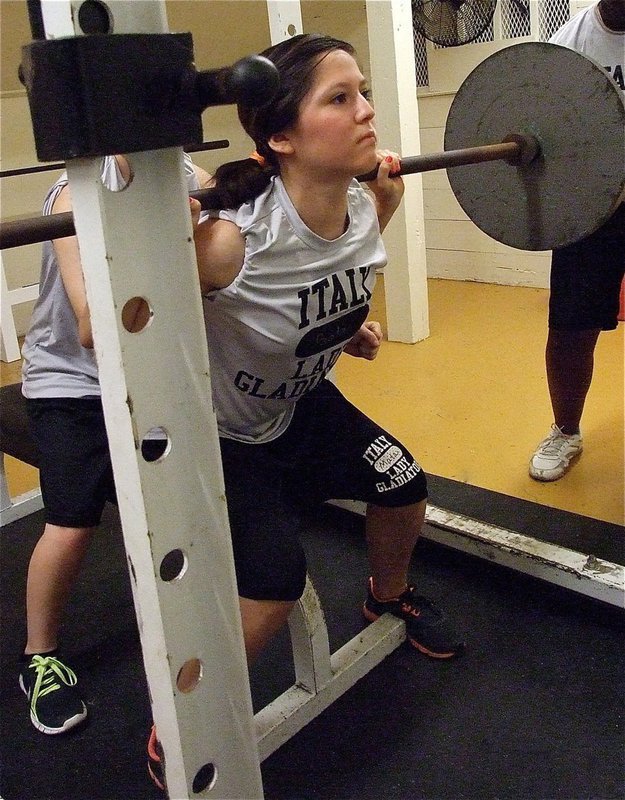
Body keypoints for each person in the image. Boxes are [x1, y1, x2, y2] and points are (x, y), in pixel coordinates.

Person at [148, 31, 464, 790]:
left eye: (362, 92)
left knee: (403, 486)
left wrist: (341, 327)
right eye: (340, 98)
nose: (366, 112)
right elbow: (144, 333)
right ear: (281, 137)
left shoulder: (371, 200)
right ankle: (178, 721)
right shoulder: (228, 245)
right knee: (271, 588)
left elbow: (331, 274)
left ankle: (385, 596)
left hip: (301, 403)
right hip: (224, 434)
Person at [18, 154, 212, 735]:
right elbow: (89, 327)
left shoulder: (183, 174)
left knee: (186, 498)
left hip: (149, 371)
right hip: (70, 383)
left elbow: (241, 222)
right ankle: (39, 656)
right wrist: (176, 236)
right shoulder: (73, 197)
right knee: (73, 523)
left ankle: (191, 620)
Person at [529, 0, 625, 481]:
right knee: (570, 325)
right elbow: (545, 131)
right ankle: (566, 430)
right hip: (591, 207)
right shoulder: (570, 43)